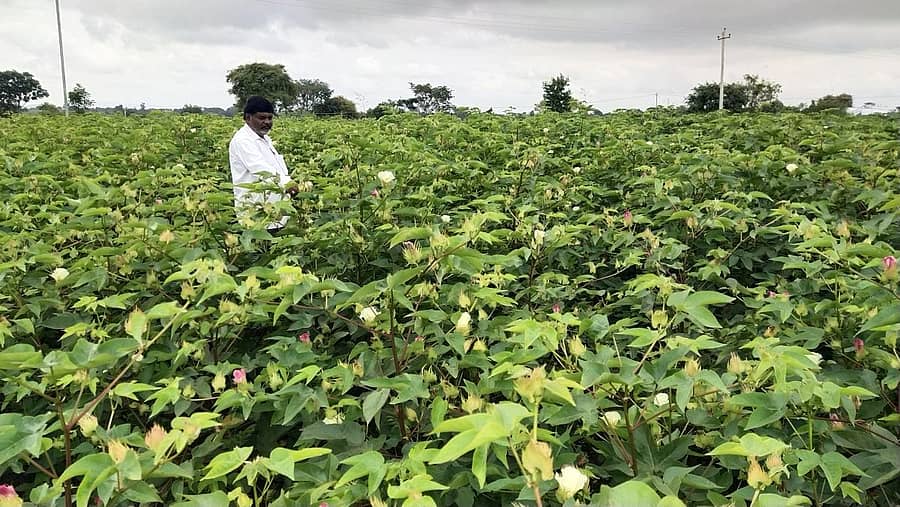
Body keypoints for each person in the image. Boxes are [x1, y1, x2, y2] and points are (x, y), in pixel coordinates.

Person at [228, 96, 298, 231]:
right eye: (262, 118)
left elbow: (276, 167)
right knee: (261, 242)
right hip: (256, 214)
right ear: (248, 118)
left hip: (275, 212)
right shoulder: (243, 140)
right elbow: (261, 169)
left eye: (270, 118)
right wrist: (288, 184)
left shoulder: (265, 139)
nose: (267, 122)